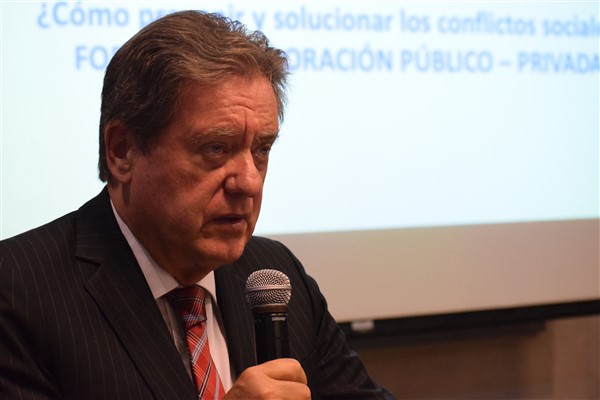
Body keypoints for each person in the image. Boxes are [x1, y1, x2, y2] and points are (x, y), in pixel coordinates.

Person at [0, 10, 394, 400]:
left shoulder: (275, 273)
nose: (249, 182)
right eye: (215, 148)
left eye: (261, 149)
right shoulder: (18, 291)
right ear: (122, 151)